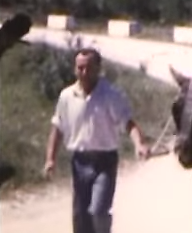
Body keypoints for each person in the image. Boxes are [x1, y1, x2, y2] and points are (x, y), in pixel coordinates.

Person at [42, 47, 150, 233]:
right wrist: (50, 159)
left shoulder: (111, 95)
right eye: (79, 68)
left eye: (88, 68)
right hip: (79, 163)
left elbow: (128, 123)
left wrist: (139, 144)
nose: (83, 73)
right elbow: (57, 129)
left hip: (105, 162)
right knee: (80, 217)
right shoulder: (66, 96)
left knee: (99, 212)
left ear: (98, 68)